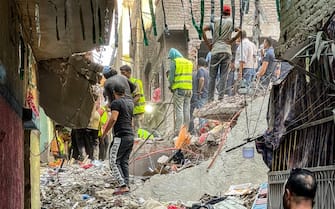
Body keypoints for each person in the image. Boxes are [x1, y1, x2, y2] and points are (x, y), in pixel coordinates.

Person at [202, 5, 241, 102]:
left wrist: (208, 44)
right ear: (229, 13)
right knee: (224, 76)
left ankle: (210, 99)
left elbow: (203, 29)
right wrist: (232, 40)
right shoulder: (231, 22)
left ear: (221, 12)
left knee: (212, 76)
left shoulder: (215, 21)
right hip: (227, 52)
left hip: (215, 51)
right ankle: (220, 98)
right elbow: (240, 31)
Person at [101, 83, 134, 195]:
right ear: (124, 92)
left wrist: (105, 133)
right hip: (130, 135)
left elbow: (113, 118)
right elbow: (130, 121)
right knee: (124, 161)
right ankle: (126, 184)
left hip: (121, 136)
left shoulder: (116, 103)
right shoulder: (130, 104)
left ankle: (122, 185)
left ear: (114, 93)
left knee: (114, 161)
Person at [167, 48, 193, 135]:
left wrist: (171, 86)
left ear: (173, 55)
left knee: (179, 109)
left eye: (171, 58)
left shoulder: (175, 61)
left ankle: (178, 131)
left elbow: (171, 77)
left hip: (179, 89)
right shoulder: (189, 62)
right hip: (189, 89)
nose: (171, 60)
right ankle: (186, 130)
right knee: (187, 110)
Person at [120, 65, 146, 133]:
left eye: (123, 73)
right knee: (131, 131)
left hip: (138, 111)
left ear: (129, 72)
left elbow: (137, 97)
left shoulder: (135, 82)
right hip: (130, 112)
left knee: (138, 130)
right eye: (121, 73)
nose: (122, 75)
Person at [189, 57, 209, 134]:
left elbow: (201, 79)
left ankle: (199, 132)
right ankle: (205, 131)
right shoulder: (207, 72)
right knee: (204, 113)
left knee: (198, 114)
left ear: (198, 64)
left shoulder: (200, 71)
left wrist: (199, 91)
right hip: (205, 95)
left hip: (199, 96)